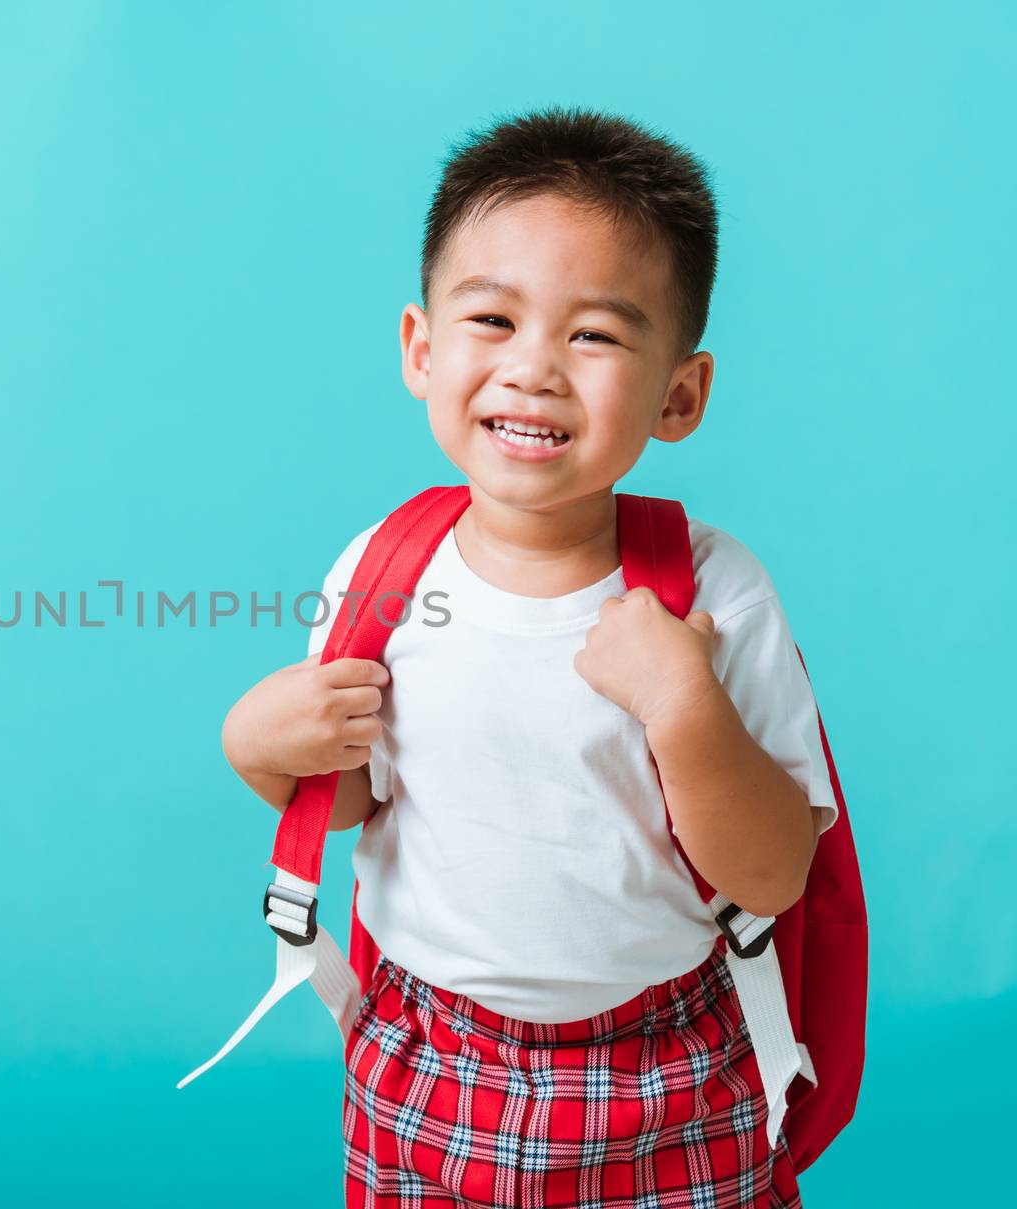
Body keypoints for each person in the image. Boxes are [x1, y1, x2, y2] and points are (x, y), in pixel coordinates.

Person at [219, 106, 838, 1209]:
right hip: (428, 1054)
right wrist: (260, 752)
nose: (535, 369)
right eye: (493, 320)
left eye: (594, 335)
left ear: (678, 395)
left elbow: (772, 874)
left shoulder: (711, 591)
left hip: (670, 1062)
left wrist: (682, 704)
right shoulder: (383, 569)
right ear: (420, 349)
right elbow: (359, 793)